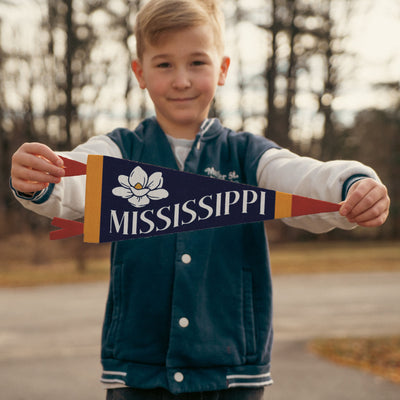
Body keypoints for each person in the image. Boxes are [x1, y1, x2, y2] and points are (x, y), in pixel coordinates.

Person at [10, 0, 390, 399]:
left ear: (222, 69)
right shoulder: (121, 150)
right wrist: (43, 176)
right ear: (139, 72)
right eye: (164, 65)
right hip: (138, 374)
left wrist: (352, 184)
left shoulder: (246, 156)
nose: (181, 80)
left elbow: (302, 177)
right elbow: (79, 179)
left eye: (196, 63)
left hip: (231, 375)